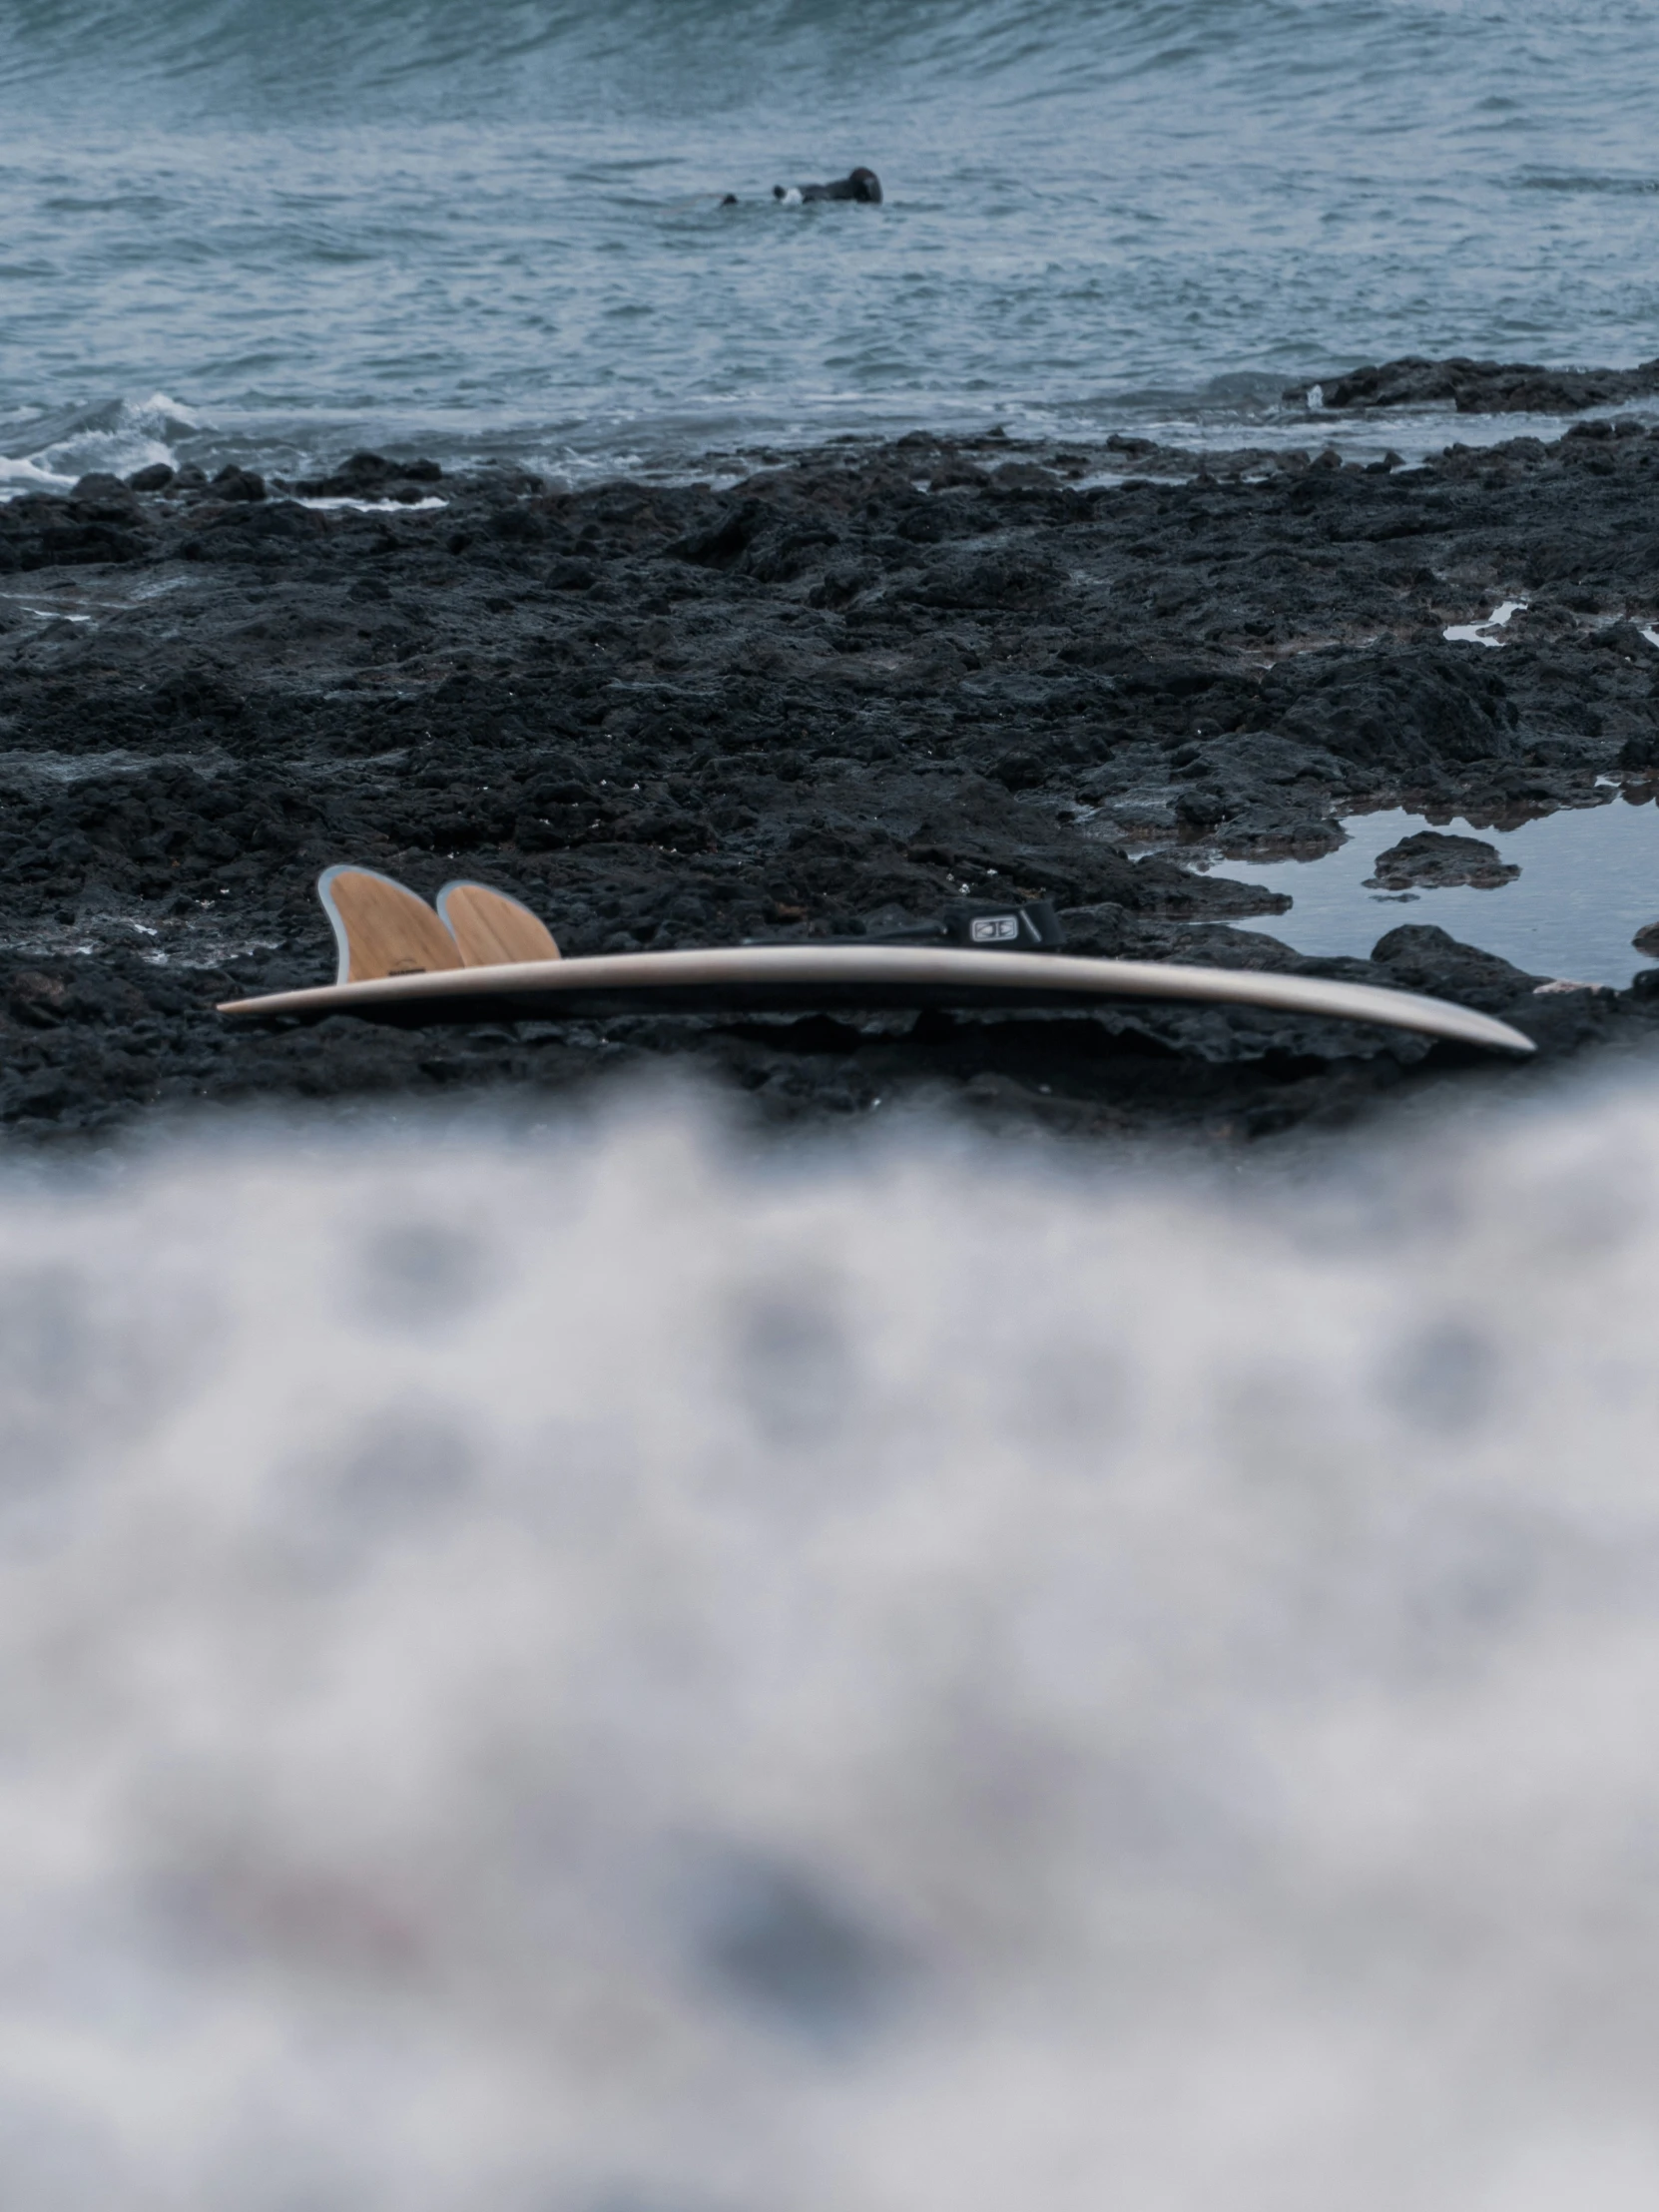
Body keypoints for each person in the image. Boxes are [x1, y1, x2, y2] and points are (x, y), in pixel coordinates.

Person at [772, 167, 882, 205]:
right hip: (826, 195)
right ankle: (790, 195)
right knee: (816, 196)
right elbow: (876, 198)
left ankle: (788, 194)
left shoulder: (846, 185)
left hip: (822, 189)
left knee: (808, 191)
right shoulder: (861, 187)